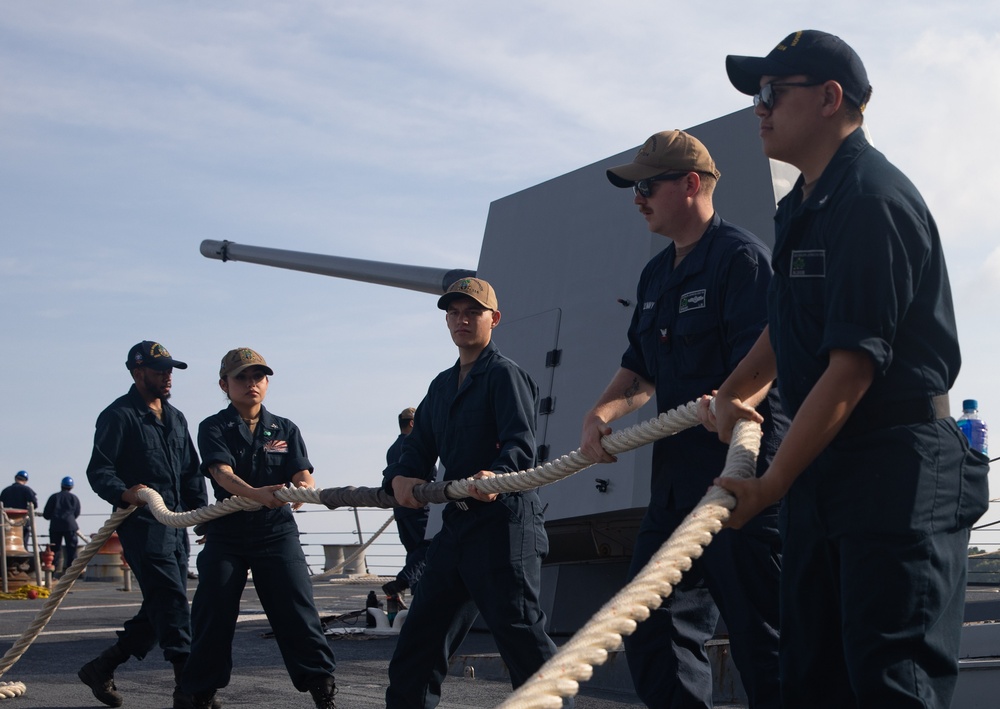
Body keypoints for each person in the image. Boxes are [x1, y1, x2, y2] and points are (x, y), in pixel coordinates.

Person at [704, 30, 991, 708]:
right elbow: (789, 320)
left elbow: (853, 368)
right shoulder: (803, 204)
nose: (759, 108)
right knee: (811, 679)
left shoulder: (869, 200)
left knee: (890, 683)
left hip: (896, 473)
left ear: (830, 98)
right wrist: (734, 390)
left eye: (772, 92)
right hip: (827, 471)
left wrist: (771, 482)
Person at [579, 130, 786, 708]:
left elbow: (767, 359)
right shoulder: (654, 276)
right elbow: (640, 372)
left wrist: (731, 405)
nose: (636, 198)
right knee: (650, 630)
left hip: (738, 486)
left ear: (690, 184)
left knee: (765, 646)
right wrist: (601, 412)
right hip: (672, 491)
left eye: (646, 186)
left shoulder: (740, 261)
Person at [383, 277, 562, 708]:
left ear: (493, 319)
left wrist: (496, 475)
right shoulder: (441, 387)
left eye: (473, 312)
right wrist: (402, 478)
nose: (462, 320)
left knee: (521, 640)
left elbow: (521, 444)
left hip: (504, 526)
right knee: (419, 643)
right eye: (454, 313)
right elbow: (418, 448)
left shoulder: (505, 376)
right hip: (458, 525)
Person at [174, 347, 337, 709]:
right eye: (242, 378)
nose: (251, 384)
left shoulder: (284, 428)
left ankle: (322, 689)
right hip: (227, 532)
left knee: (297, 609)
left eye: (258, 377)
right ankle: (199, 692)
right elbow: (221, 473)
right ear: (224, 384)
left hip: (275, 529)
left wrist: (304, 484)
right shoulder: (214, 427)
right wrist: (254, 494)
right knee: (212, 611)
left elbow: (300, 469)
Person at [82, 341, 211, 708]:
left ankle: (102, 666)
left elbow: (191, 472)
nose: (168, 377)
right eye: (159, 370)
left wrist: (201, 516)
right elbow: (99, 470)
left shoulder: (177, 418)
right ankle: (187, 687)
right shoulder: (118, 416)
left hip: (176, 526)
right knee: (171, 599)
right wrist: (126, 493)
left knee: (160, 604)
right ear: (138, 373)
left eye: (170, 370)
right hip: (142, 526)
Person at [381, 406, 430, 598]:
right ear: (412, 423)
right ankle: (403, 581)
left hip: (401, 511)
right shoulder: (413, 446)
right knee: (429, 547)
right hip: (418, 507)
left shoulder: (392, 448)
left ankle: (418, 599)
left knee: (414, 553)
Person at [42, 476, 82, 575]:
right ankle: (71, 572)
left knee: (55, 549)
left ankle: (53, 573)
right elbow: (76, 513)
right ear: (71, 487)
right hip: (70, 526)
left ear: (61, 485)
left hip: (55, 526)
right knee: (71, 550)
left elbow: (46, 514)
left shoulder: (54, 497)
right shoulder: (74, 498)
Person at [0, 471, 39, 544]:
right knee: (23, 542)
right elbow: (34, 504)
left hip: (7, 522)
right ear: (26, 481)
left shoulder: (5, 491)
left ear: (15, 478)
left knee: (6, 543)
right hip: (22, 521)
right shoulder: (27, 490)